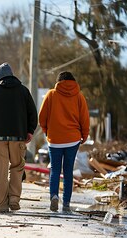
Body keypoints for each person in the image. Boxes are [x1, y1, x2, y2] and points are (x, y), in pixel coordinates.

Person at [0, 63, 37, 213]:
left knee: (1, 171)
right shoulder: (23, 91)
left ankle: (2, 205)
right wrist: (30, 131)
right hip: (18, 137)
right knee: (17, 168)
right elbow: (33, 113)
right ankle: (14, 199)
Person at [39, 71, 89, 212]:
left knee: (55, 169)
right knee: (68, 171)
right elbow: (84, 118)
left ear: (58, 82)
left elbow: (42, 117)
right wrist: (84, 135)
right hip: (72, 139)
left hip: (54, 139)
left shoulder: (51, 95)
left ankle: (54, 196)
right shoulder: (79, 97)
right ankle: (66, 203)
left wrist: (46, 131)